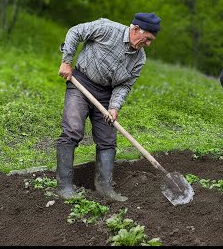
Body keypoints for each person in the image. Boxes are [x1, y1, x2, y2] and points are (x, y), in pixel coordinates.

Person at [56, 12, 161, 201]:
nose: (148, 44)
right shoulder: (107, 28)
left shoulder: (140, 59)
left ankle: (104, 188)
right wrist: (66, 61)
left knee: (107, 141)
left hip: (106, 95)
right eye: (147, 39)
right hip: (81, 83)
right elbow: (75, 32)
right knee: (72, 130)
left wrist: (114, 107)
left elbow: (125, 85)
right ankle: (64, 187)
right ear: (136, 29)